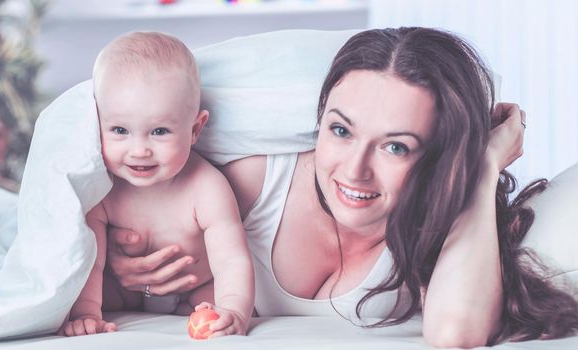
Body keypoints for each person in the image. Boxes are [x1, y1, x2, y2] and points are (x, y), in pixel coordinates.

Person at [105, 28, 578, 347]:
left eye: (396, 147)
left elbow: (456, 333)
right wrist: (139, 282)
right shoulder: (251, 185)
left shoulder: (436, 223)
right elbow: (139, 255)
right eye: (341, 131)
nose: (354, 171)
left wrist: (483, 164)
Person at [61, 32, 254, 337]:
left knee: (217, 308)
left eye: (160, 131)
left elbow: (232, 260)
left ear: (195, 128)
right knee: (85, 294)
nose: (139, 150)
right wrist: (86, 311)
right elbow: (91, 264)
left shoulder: (206, 188)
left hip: (196, 289)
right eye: (120, 130)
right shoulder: (102, 190)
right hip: (125, 292)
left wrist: (235, 309)